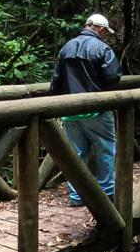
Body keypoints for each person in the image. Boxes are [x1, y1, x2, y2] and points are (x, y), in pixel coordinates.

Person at [51, 13, 122, 207]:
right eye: (105, 32)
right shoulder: (102, 48)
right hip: (96, 109)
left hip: (70, 110)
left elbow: (56, 81)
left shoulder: (67, 47)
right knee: (105, 149)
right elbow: (113, 76)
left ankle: (76, 196)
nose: (105, 35)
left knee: (75, 154)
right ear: (101, 29)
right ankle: (106, 194)